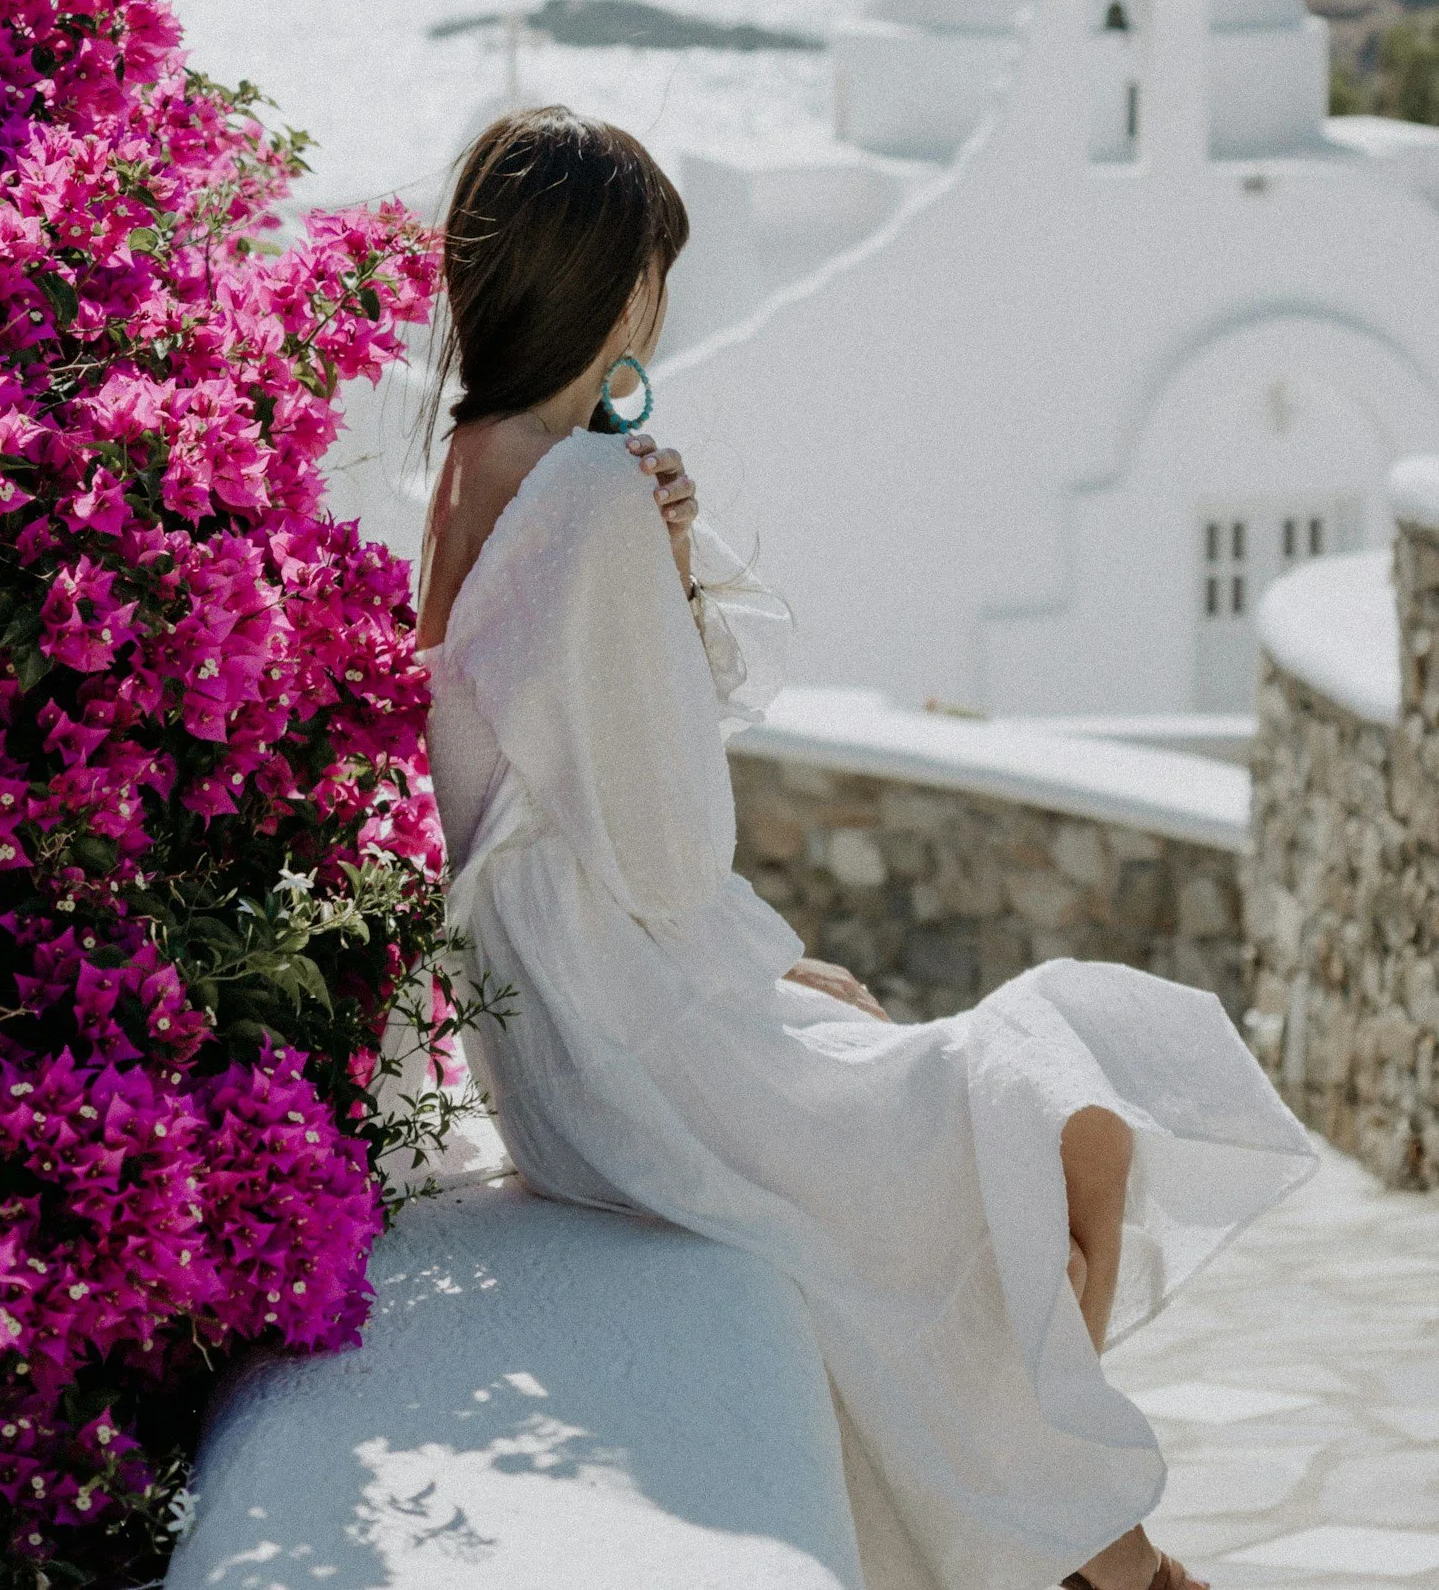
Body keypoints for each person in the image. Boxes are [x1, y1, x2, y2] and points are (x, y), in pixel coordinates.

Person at [416, 106, 1313, 1590]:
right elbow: (664, 846)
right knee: (1068, 1086)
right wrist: (662, 577)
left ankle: (1084, 1548)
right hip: (642, 1046)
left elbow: (554, 787)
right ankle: (1081, 1550)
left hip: (562, 1054)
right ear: (622, 284)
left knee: (980, 1140)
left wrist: (664, 576)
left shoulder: (465, 471)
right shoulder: (583, 491)